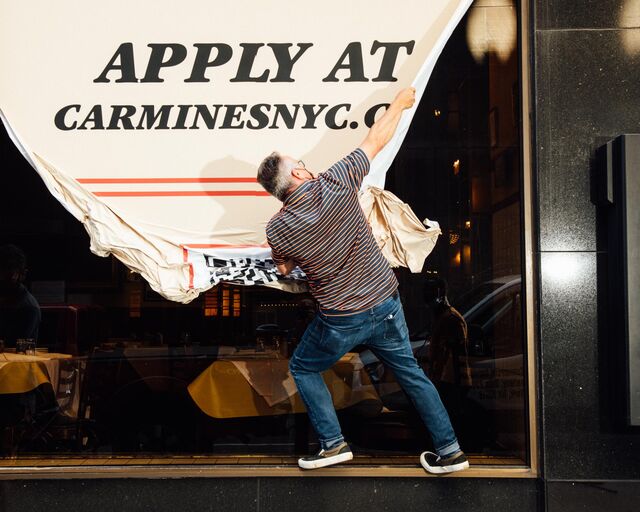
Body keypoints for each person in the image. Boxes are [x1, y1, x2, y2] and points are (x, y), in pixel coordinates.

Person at [256, 87, 468, 474]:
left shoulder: (278, 228)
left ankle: (334, 444)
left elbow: (284, 270)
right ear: (300, 173)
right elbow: (376, 137)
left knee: (304, 367)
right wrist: (401, 103)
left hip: (341, 319)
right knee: (411, 375)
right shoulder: (337, 181)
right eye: (303, 162)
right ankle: (451, 450)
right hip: (385, 304)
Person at [423, 277, 472, 430]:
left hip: (451, 382)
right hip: (446, 381)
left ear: (440, 294)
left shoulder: (450, 319)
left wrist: (436, 379)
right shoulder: (442, 317)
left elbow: (453, 356)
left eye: (431, 293)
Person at [0, 244, 41, 347]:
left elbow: (12, 347)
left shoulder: (28, 308)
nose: (2, 277)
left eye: (8, 273)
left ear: (22, 275)